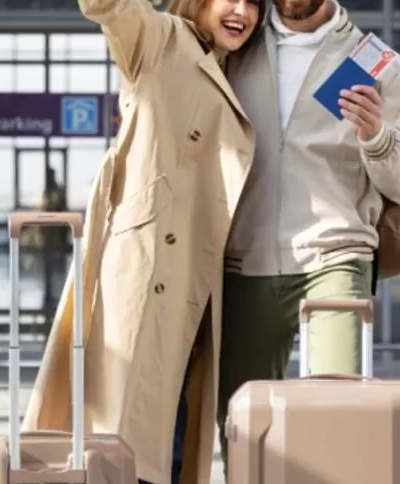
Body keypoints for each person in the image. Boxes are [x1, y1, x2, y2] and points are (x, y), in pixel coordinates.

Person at [20, 1, 265, 483]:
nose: (242, 11)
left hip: (192, 279)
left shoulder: (231, 67)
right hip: (146, 269)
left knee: (164, 421)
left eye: (254, 2)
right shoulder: (160, 36)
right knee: (129, 426)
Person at [216, 0, 400, 467]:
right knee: (239, 424)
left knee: (338, 413)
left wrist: (377, 135)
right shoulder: (234, 47)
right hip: (243, 259)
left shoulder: (377, 64)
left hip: (335, 256)